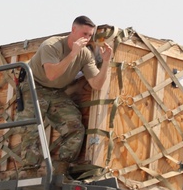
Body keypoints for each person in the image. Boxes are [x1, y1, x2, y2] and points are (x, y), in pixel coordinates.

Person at [17, 15, 113, 176]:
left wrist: (106, 62)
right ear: (73, 30)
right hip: (34, 86)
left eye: (90, 35)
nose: (87, 39)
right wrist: (72, 54)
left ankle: (61, 168)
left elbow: (96, 84)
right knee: (31, 127)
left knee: (75, 126)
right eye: (84, 34)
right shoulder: (52, 45)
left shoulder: (85, 54)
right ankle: (29, 171)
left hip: (56, 92)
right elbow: (51, 75)